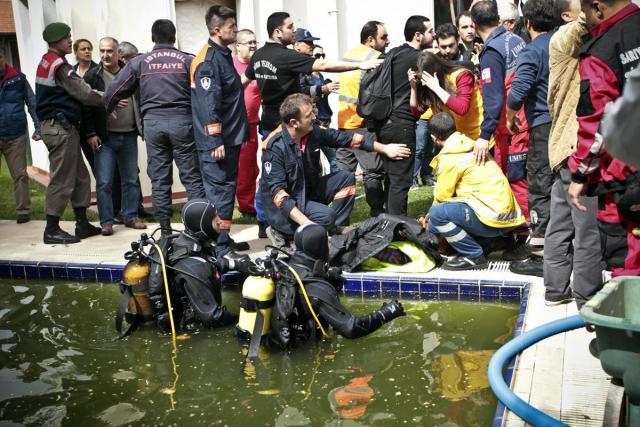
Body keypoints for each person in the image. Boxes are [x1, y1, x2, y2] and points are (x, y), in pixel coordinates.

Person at [243, 11, 383, 239]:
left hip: (270, 123)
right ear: (278, 32)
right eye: (290, 27)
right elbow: (324, 65)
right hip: (290, 126)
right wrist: (360, 65)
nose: (294, 31)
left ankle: (265, 222)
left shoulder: (258, 55)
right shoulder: (285, 56)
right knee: (291, 175)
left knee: (270, 176)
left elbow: (245, 80)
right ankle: (297, 225)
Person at [260, 93, 411, 245]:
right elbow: (279, 195)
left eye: (313, 112)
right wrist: (307, 225)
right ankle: (281, 231)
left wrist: (384, 148)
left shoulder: (312, 132)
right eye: (308, 115)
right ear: (294, 123)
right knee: (327, 216)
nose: (314, 117)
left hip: (307, 193)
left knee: (346, 178)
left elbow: (347, 139)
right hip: (285, 208)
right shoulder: (274, 147)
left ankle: (335, 231)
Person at [104, 19, 206, 236]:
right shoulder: (188, 60)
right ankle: (198, 229)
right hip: (183, 124)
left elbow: (113, 90)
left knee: (159, 179)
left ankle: (166, 231)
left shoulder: (140, 62)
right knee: (192, 177)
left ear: (152, 38)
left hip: (153, 125)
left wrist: (110, 106)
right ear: (174, 37)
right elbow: (204, 93)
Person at [567, 0, 640, 277]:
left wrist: (579, 176)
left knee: (628, 269)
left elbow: (597, 126)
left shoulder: (602, 52)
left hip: (625, 179)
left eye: (585, 11)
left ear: (597, 7)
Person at [543, 0, 602, 307]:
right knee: (586, 230)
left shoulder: (567, 42)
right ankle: (587, 297)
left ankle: (555, 291)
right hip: (575, 147)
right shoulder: (565, 38)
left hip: (562, 147)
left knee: (561, 224)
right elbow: (584, 23)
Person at [123, 198, 253, 333]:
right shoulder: (194, 267)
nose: (220, 220)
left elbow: (208, 263)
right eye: (215, 218)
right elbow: (213, 318)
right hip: (193, 331)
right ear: (202, 225)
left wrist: (233, 263)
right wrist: (243, 318)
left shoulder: (185, 243)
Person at [268, 223, 406, 348]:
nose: (329, 245)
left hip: (276, 342)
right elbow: (351, 328)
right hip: (302, 355)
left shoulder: (284, 268)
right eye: (326, 242)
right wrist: (386, 313)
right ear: (319, 247)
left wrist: (327, 275)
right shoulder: (317, 288)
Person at [427, 112, 525, 270]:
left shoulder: (449, 157)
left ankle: (473, 255)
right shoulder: (472, 144)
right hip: (508, 217)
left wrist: (428, 223)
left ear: (433, 137)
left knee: (436, 215)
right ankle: (493, 242)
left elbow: (441, 197)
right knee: (450, 211)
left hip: (492, 217)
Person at [35, 22, 103, 244]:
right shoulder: (60, 66)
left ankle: (82, 224)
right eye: (67, 38)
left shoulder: (48, 61)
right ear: (56, 40)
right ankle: (51, 229)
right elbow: (84, 93)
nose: (70, 40)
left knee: (80, 176)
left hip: (63, 127)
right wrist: (109, 97)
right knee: (62, 178)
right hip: (60, 128)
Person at [191, 5, 249, 257]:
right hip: (218, 143)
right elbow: (208, 104)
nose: (235, 30)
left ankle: (221, 238)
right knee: (221, 195)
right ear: (217, 30)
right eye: (231, 27)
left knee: (224, 194)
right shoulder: (208, 61)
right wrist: (215, 139)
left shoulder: (222, 55)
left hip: (230, 139)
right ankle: (220, 248)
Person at [504, 0, 556, 276]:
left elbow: (519, 88)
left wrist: (511, 115)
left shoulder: (533, 49)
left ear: (528, 23)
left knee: (539, 185)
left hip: (542, 125)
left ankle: (539, 256)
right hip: (566, 125)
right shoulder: (564, 43)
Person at [82, 37, 146, 236]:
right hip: (105, 138)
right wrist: (91, 133)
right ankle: (107, 222)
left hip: (128, 135)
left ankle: (131, 216)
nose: (105, 55)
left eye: (109, 51)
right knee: (104, 182)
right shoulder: (93, 76)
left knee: (131, 179)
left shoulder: (130, 73)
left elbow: (141, 99)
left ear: (119, 53)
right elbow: (85, 107)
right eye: (101, 51)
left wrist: (142, 127)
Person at [373, 15, 435, 216]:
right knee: (400, 181)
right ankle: (397, 228)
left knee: (391, 179)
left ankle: (389, 223)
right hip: (403, 124)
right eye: (430, 31)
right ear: (418, 35)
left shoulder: (393, 54)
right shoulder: (417, 59)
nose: (433, 35)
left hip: (384, 124)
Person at [337, 21, 389, 216]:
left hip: (343, 122)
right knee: (372, 171)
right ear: (370, 40)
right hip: (363, 123)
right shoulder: (376, 58)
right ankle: (377, 213)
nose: (387, 41)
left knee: (344, 175)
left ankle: (339, 218)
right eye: (383, 37)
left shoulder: (348, 54)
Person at [0, 46, 41, 224]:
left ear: (3, 57)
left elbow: (32, 104)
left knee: (20, 175)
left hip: (15, 135)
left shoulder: (18, 78)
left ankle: (23, 211)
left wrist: (38, 128)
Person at [411, 51, 484, 140]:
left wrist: (436, 88)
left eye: (425, 78)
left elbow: (462, 108)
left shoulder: (461, 75)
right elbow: (417, 112)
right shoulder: (427, 83)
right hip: (456, 140)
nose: (423, 82)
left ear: (435, 71)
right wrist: (413, 87)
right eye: (420, 78)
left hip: (478, 136)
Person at [294, 34, 339, 173]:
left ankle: (334, 191)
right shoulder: (304, 75)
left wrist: (326, 91)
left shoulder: (320, 75)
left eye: (323, 55)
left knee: (333, 160)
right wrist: (322, 89)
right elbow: (303, 95)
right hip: (314, 122)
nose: (320, 59)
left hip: (325, 120)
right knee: (318, 162)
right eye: (317, 56)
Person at [232, 29, 262, 228]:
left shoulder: (258, 66)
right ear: (238, 46)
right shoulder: (230, 64)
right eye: (248, 43)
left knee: (250, 168)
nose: (252, 46)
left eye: (254, 42)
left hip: (251, 124)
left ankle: (248, 205)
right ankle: (242, 206)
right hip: (233, 125)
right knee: (238, 169)